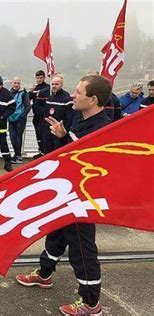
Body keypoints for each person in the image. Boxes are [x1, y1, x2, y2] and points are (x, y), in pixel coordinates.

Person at [16, 75, 113, 315]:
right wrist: (62, 136)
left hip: (82, 200)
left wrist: (64, 136)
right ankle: (44, 274)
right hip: (66, 193)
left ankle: (91, 303)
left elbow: (87, 160)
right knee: (56, 233)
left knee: (82, 249)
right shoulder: (81, 119)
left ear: (93, 99)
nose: (73, 95)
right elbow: (67, 155)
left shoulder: (102, 128)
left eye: (78, 92)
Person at [40, 76, 74, 155]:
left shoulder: (67, 99)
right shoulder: (50, 98)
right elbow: (45, 114)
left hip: (59, 133)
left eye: (56, 84)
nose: (54, 86)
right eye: (52, 84)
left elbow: (70, 118)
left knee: (58, 154)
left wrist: (65, 132)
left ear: (61, 85)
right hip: (48, 132)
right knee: (47, 154)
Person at [8, 77, 30, 164]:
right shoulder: (9, 93)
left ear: (19, 84)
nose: (16, 84)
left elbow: (28, 106)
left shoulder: (24, 93)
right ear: (12, 83)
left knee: (18, 137)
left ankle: (18, 156)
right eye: (15, 83)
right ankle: (16, 154)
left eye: (18, 83)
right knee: (12, 137)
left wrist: (22, 116)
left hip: (20, 119)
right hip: (11, 118)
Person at [28, 70, 50, 159]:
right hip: (36, 116)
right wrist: (30, 92)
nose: (39, 80)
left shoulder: (49, 88)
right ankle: (41, 151)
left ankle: (46, 152)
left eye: (41, 78)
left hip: (45, 116)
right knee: (38, 134)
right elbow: (27, 100)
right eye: (38, 78)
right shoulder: (34, 89)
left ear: (44, 78)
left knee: (45, 134)